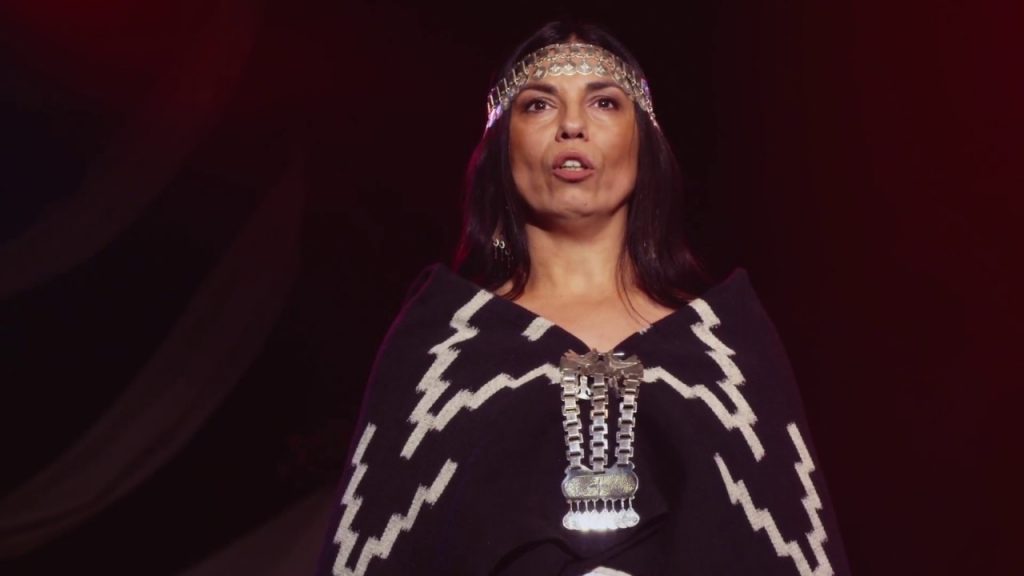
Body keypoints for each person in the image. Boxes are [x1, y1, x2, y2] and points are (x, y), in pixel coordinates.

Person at [315, 20, 850, 576]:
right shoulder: (440, 349)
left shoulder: (728, 349)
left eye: (604, 103)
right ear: (502, 147)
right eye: (539, 105)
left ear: (643, 142)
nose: (572, 125)